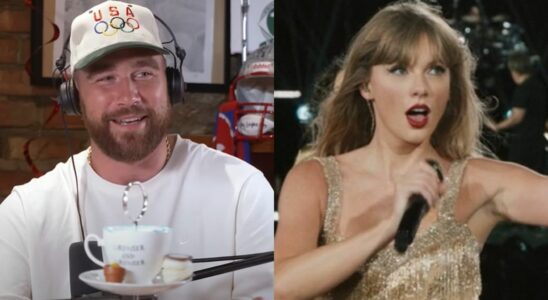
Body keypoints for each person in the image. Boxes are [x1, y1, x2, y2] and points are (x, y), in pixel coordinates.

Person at [274, 1, 548, 299]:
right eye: (400, 69)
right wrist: (387, 228)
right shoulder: (314, 180)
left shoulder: (481, 182)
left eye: (435, 69)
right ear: (366, 86)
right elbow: (280, 286)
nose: (421, 87)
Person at [0, 1, 273, 299]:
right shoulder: (24, 214)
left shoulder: (243, 190)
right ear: (74, 95)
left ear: (170, 84)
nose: (129, 96)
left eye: (144, 73)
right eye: (105, 78)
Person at [494, 50, 547, 173]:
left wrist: (497, 126)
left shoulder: (523, 90)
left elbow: (516, 118)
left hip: (524, 143)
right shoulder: (539, 85)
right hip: (538, 141)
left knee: (518, 175)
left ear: (515, 69)